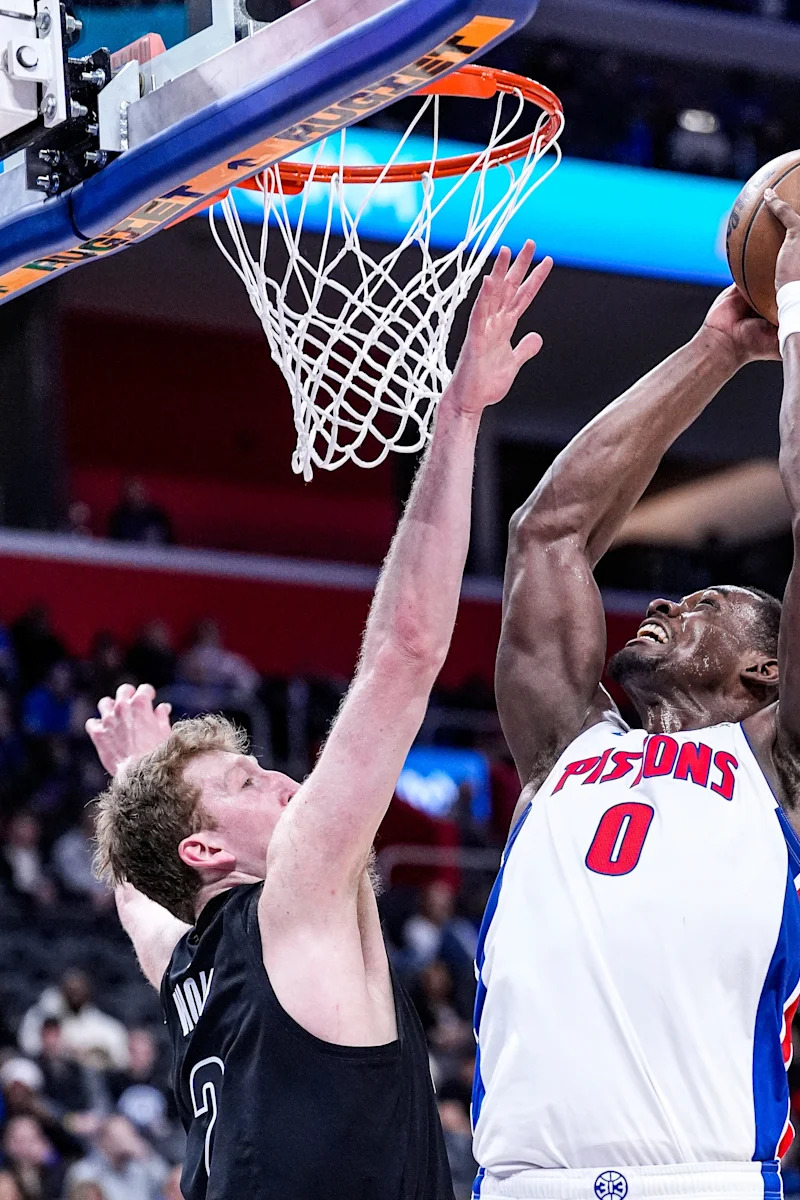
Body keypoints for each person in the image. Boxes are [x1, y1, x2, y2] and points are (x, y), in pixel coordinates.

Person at [476, 158, 800, 1200]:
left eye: (705, 604)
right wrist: (714, 347)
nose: (665, 606)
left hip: (701, 1179)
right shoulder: (565, 746)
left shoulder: (795, 762)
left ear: (769, 665)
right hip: (516, 1184)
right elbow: (549, 534)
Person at [85, 241, 552, 1200]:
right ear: (208, 852)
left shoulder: (188, 975)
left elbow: (140, 899)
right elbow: (408, 650)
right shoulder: (294, 888)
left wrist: (139, 782)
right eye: (248, 785)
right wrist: (459, 417)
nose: (287, 783)